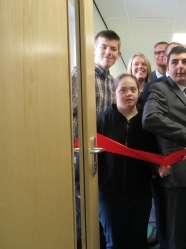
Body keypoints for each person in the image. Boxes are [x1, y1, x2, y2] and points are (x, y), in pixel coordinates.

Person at [97, 73, 170, 249]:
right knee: (115, 241)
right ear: (114, 93)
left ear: (139, 92)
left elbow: (152, 154)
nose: (129, 94)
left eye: (133, 89)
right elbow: (89, 156)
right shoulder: (101, 121)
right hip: (109, 192)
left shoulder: (146, 122)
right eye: (123, 90)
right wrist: (80, 186)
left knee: (138, 240)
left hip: (140, 191)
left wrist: (157, 168)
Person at [142, 46, 186, 249]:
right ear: (167, 66)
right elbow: (150, 118)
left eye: (185, 62)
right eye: (174, 62)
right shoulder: (159, 88)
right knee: (175, 234)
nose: (180, 66)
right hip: (174, 173)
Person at [72, 29, 122, 249]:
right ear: (94, 49)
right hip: (77, 157)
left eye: (113, 49)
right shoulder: (78, 75)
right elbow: (68, 116)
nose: (108, 52)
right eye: (104, 46)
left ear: (119, 54)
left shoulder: (112, 82)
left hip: (99, 158)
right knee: (78, 219)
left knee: (96, 216)